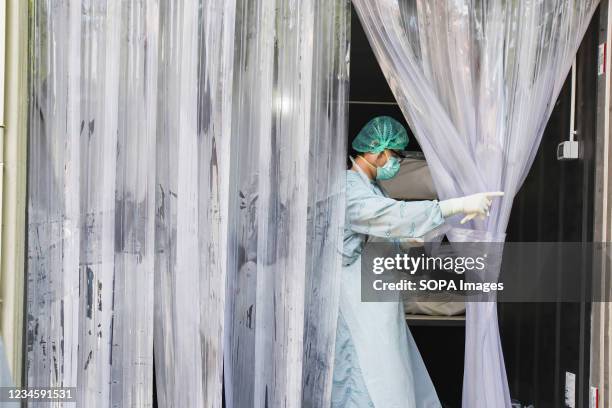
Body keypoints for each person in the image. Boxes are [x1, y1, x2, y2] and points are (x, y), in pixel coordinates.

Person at [331, 116, 503, 408]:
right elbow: (390, 217)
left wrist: (446, 221)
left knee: (389, 377)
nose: (396, 162)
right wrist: (454, 205)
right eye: (395, 155)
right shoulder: (349, 188)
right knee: (363, 379)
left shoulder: (371, 189)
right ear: (377, 150)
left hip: (375, 302)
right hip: (355, 304)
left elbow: (390, 232)